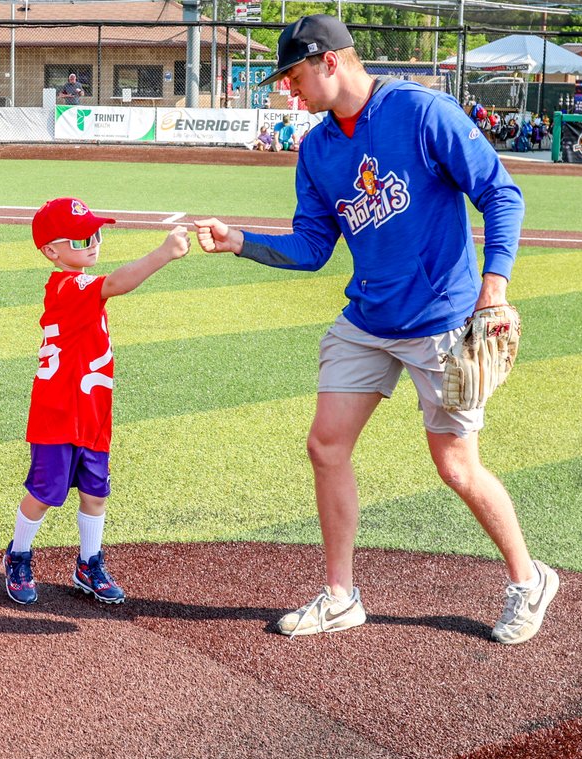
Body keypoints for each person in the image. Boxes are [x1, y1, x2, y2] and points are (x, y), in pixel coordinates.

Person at [194, 14, 558, 644]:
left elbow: (501, 193)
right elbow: (312, 248)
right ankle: (340, 597)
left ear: (329, 61)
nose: (290, 91)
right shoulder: (316, 149)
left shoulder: (422, 113)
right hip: (368, 319)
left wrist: (494, 284)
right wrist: (239, 243)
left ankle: (530, 580)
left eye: (294, 75)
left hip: (442, 318)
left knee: (456, 467)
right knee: (326, 445)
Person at [3, 198, 189, 606]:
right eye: (82, 237)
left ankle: (89, 563)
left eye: (97, 233)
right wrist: (164, 253)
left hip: (90, 409)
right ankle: (18, 555)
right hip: (59, 411)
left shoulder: (80, 285)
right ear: (52, 251)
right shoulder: (69, 286)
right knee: (44, 492)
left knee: (95, 492)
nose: (94, 241)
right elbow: (116, 283)